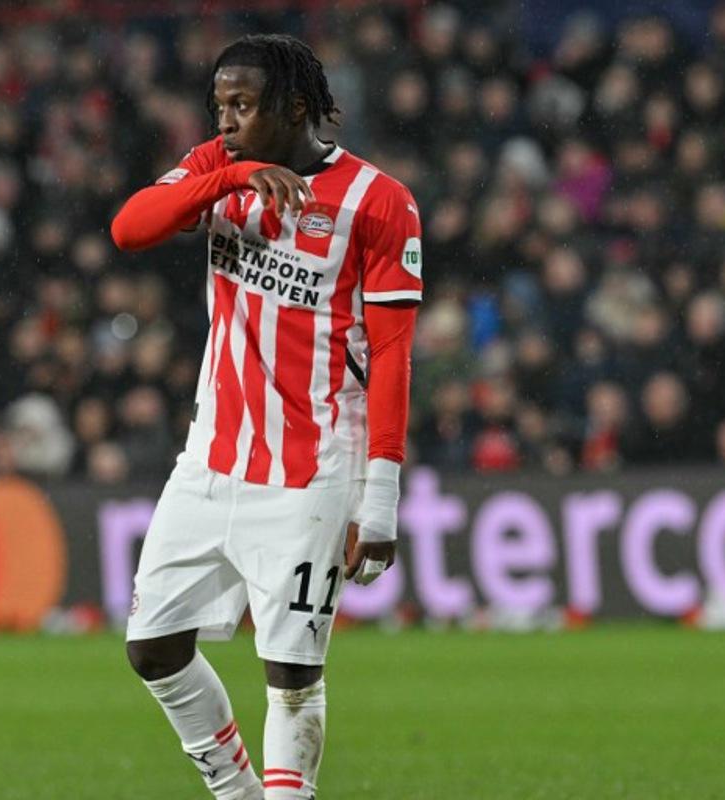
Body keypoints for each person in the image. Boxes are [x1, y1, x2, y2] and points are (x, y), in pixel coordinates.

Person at [110, 34, 422, 800]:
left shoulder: (379, 202)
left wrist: (378, 500)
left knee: (289, 675)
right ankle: (238, 790)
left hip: (312, 471)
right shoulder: (219, 169)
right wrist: (238, 173)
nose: (225, 121)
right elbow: (130, 227)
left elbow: (391, 358)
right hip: (212, 457)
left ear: (295, 107)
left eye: (242, 107)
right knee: (151, 646)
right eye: (219, 106)